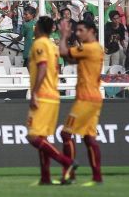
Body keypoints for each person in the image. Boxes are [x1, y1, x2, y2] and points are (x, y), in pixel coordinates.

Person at [26, 16, 76, 185]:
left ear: (38, 27)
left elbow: (42, 67)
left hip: (43, 95)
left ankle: (66, 162)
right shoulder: (53, 46)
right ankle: (45, 177)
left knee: (33, 137)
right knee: (43, 138)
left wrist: (34, 93)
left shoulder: (39, 44)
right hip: (54, 95)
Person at [57, 20, 104, 186]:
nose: (78, 33)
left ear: (91, 31)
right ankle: (97, 177)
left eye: (81, 30)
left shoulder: (89, 48)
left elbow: (63, 52)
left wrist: (64, 35)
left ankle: (69, 174)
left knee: (65, 134)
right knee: (89, 138)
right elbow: (73, 60)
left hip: (86, 98)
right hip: (95, 97)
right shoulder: (96, 48)